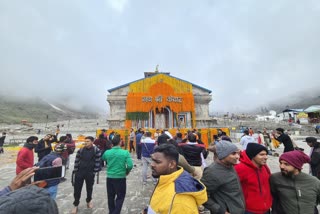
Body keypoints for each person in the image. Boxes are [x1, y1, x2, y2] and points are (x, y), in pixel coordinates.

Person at [148, 144, 207, 213]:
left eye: (157, 162)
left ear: (172, 164)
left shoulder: (180, 200)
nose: (152, 164)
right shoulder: (165, 179)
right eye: (152, 160)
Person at [201, 140, 245, 214]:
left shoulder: (230, 166)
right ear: (223, 155)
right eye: (233, 153)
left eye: (238, 153)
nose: (238, 157)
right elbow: (202, 195)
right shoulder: (212, 172)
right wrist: (221, 211)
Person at [235, 143, 272, 214]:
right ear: (252, 156)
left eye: (266, 154)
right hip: (248, 210)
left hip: (266, 209)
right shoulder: (240, 168)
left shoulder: (264, 167)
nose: (266, 157)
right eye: (261, 154)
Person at [102, 134, 133, 214]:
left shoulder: (107, 152)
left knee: (110, 197)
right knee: (120, 197)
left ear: (112, 143)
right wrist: (127, 171)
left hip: (110, 177)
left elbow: (103, 158)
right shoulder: (125, 152)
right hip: (120, 177)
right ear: (120, 142)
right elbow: (130, 165)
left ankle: (111, 211)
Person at [71, 136, 101, 214]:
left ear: (92, 142)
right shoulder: (81, 150)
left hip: (90, 173)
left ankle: (89, 200)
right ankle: (76, 204)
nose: (86, 142)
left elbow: (98, 161)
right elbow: (77, 160)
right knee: (77, 189)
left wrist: (94, 172)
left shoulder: (96, 150)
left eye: (88, 141)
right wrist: (75, 170)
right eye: (85, 141)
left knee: (89, 188)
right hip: (80, 172)